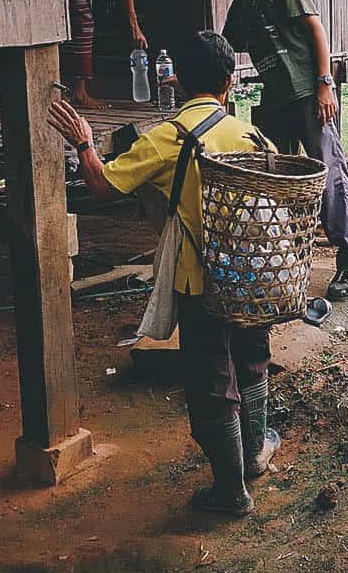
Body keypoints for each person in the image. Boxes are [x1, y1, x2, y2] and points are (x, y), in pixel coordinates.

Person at [47, 31, 279, 517]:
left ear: (176, 80)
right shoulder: (253, 136)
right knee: (252, 358)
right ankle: (256, 452)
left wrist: (86, 143)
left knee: (213, 381)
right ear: (229, 82)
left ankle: (232, 493)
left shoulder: (169, 138)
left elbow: (101, 187)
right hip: (253, 279)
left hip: (200, 283)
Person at [205, 0, 348, 302]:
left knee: (328, 176)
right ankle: (290, 257)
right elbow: (224, 47)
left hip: (309, 96)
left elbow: (316, 28)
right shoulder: (242, 3)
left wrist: (325, 83)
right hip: (275, 101)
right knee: (277, 184)